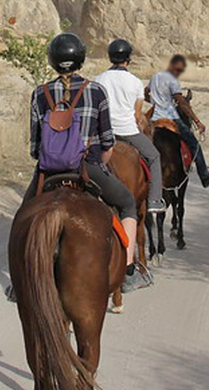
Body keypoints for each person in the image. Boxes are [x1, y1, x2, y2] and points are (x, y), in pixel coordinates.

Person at [19, 33, 151, 295]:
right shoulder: (95, 90)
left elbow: (35, 149)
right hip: (86, 168)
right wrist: (99, 165)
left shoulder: (40, 93)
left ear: (53, 62)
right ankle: (127, 272)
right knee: (126, 203)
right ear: (80, 60)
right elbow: (107, 143)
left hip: (48, 172)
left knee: (23, 217)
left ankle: (19, 279)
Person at [94, 39, 165, 214]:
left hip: (103, 132)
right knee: (154, 156)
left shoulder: (98, 79)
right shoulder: (135, 82)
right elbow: (136, 115)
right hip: (127, 132)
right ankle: (154, 200)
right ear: (128, 60)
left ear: (110, 57)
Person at [147, 55, 209, 188]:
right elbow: (182, 104)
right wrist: (197, 122)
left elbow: (146, 92)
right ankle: (204, 175)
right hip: (170, 118)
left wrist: (154, 103)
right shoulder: (172, 81)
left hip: (154, 120)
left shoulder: (155, 76)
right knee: (194, 144)